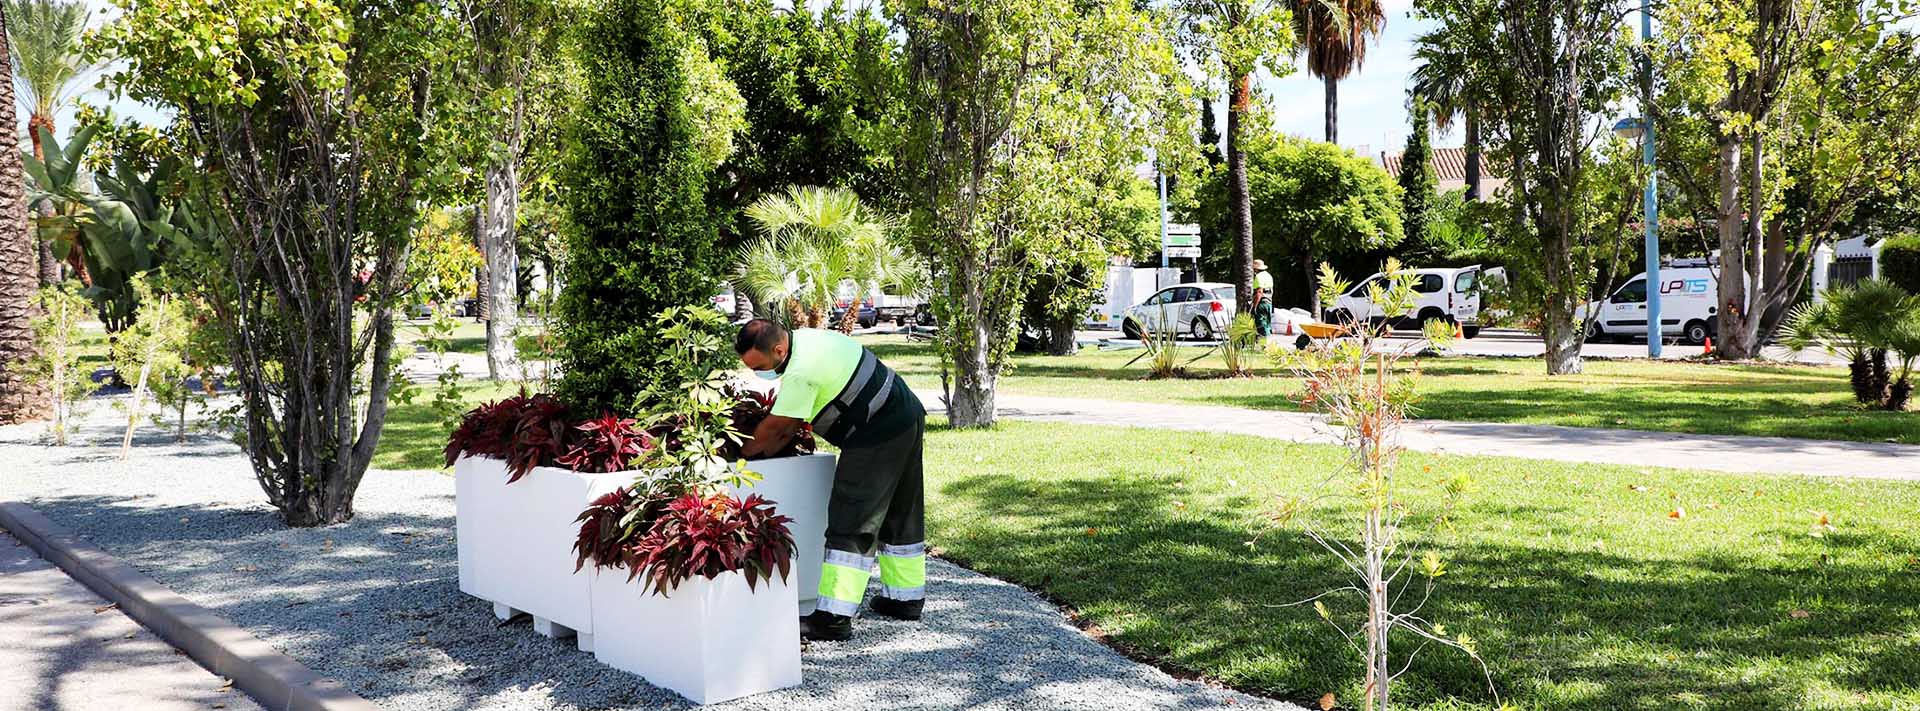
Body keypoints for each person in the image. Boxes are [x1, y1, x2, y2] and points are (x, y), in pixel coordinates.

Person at [736, 319, 927, 642]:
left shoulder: (800, 372)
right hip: (905, 412)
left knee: (852, 517)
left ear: (779, 350)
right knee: (901, 511)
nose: (759, 374)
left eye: (761, 367)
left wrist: (737, 457)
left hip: (876, 431)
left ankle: (833, 617)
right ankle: (904, 600)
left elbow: (778, 432)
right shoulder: (810, 339)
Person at [1251, 259, 1274, 338]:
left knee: (1261, 325)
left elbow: (1259, 292)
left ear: (1256, 269)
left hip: (1261, 303)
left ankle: (1263, 345)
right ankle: (1267, 343)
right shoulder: (1269, 276)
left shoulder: (1258, 276)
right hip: (1269, 303)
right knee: (1267, 324)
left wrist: (1254, 306)